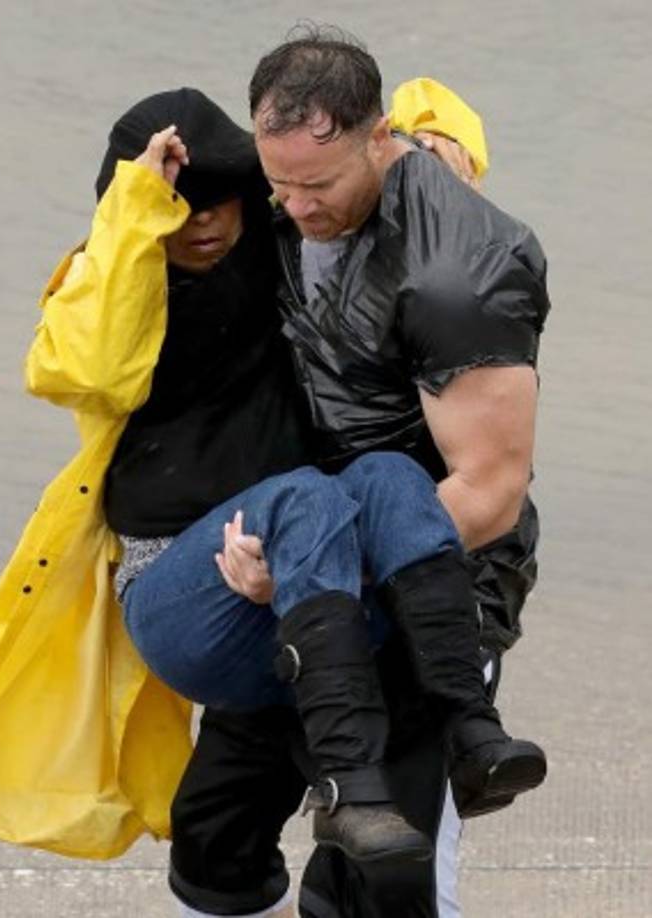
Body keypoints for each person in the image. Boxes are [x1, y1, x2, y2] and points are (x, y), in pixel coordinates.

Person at [165, 28, 551, 918]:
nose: (295, 208)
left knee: (384, 878)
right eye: (280, 184)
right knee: (216, 831)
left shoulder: (463, 272)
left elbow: (489, 494)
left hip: (432, 578)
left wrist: (317, 571)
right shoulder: (287, 196)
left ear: (382, 140)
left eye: (319, 186)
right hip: (310, 559)